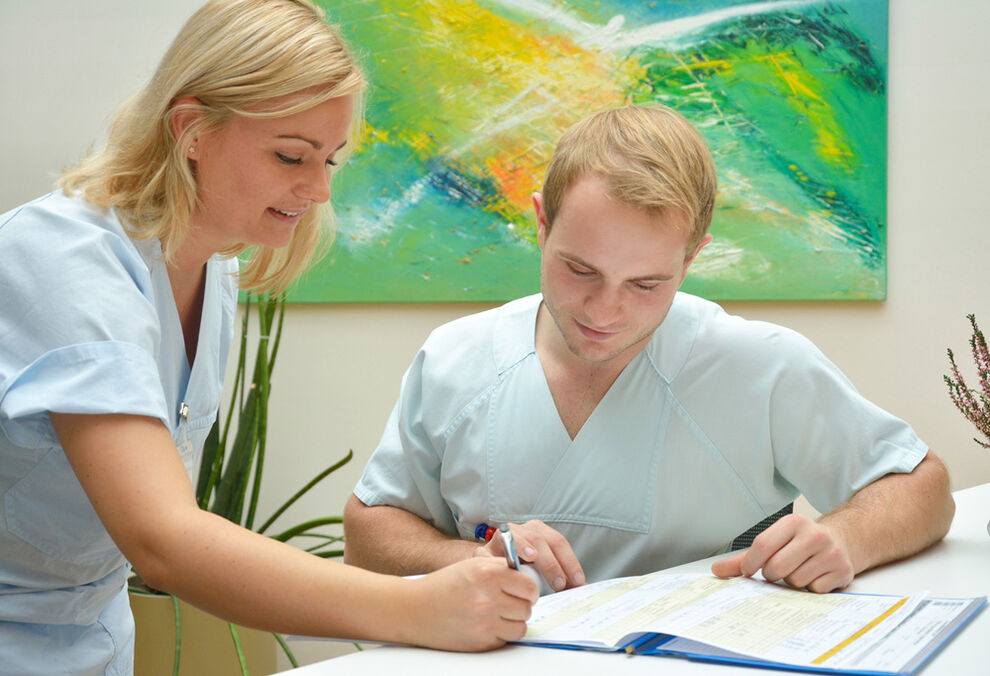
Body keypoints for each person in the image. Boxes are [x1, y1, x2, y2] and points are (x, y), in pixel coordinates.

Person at [0, 1, 536, 672]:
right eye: (291, 156)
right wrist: (418, 608)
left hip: (92, 642)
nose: (317, 190)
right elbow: (162, 538)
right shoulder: (58, 261)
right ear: (191, 129)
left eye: (331, 161)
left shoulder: (211, 268)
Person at [343, 104, 955, 599]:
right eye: (579, 270)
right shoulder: (454, 359)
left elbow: (923, 486)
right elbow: (368, 531)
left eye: (645, 284)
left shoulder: (762, 366)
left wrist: (847, 535)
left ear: (691, 258)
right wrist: (470, 557)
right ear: (541, 223)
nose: (604, 311)